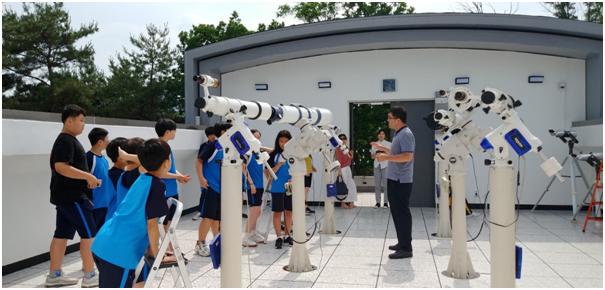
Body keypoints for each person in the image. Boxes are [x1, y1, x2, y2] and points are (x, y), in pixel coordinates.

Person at [91, 139, 175, 287]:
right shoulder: (156, 185)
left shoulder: (142, 177)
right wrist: (157, 256)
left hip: (105, 242)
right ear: (167, 162)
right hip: (118, 253)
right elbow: (152, 225)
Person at [46, 104, 99, 287]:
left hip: (65, 197)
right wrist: (88, 176)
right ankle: (90, 275)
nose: (84, 125)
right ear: (69, 121)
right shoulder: (66, 140)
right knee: (89, 234)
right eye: (81, 120)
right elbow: (60, 166)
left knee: (61, 235)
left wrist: (88, 179)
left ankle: (54, 275)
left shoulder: (66, 140)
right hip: (74, 198)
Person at [372, 106, 415, 259]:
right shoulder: (399, 134)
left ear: (397, 119)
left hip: (401, 181)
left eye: (389, 118)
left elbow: (407, 156)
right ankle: (402, 243)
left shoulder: (406, 134)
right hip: (395, 179)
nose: (387, 120)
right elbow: (398, 153)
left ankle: (406, 248)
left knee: (402, 213)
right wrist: (383, 148)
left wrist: (386, 158)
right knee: (396, 213)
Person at [195, 124, 229, 256]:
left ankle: (217, 241)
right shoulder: (213, 145)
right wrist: (201, 178)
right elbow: (199, 161)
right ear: (223, 131)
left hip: (222, 189)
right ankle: (200, 243)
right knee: (208, 218)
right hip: (211, 188)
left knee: (217, 219)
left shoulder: (228, 147)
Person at [242, 129, 268, 247]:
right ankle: (246, 237)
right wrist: (251, 184)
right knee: (253, 211)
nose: (257, 140)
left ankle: (253, 232)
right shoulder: (247, 153)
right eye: (254, 137)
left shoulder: (258, 152)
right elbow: (243, 168)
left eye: (258, 138)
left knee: (257, 212)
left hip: (260, 185)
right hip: (252, 186)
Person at [268, 130, 293, 249]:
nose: (283, 143)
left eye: (286, 141)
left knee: (289, 212)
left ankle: (288, 235)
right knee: (277, 212)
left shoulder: (293, 154)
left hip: (290, 187)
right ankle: (278, 236)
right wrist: (278, 165)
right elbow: (268, 173)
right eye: (281, 141)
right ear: (278, 142)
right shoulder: (273, 155)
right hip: (277, 188)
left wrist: (292, 180)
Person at [86, 127, 113, 229]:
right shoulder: (88, 158)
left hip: (105, 205)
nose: (109, 141)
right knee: (90, 237)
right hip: (94, 206)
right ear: (100, 142)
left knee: (100, 236)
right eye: (107, 138)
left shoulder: (104, 159)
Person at [193, 126, 217, 221]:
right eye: (211, 136)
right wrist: (201, 176)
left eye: (214, 135)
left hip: (214, 175)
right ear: (207, 136)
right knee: (204, 193)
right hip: (205, 174)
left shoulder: (218, 145)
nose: (213, 137)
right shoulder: (204, 146)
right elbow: (199, 160)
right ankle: (200, 212)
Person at [370, 128, 392, 208]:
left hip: (385, 165)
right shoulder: (374, 144)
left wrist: (382, 152)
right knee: (377, 185)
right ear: (378, 135)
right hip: (376, 165)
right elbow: (372, 156)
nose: (381, 135)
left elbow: (390, 154)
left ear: (385, 135)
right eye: (380, 134)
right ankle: (378, 202)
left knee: (386, 185)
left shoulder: (389, 144)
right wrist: (376, 154)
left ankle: (386, 203)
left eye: (383, 134)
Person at [335, 134, 357, 209]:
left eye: (344, 138)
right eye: (341, 139)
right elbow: (338, 161)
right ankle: (343, 203)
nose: (343, 140)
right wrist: (339, 170)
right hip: (342, 169)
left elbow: (349, 159)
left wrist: (351, 156)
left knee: (351, 185)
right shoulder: (338, 149)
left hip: (347, 168)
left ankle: (351, 202)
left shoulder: (345, 148)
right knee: (343, 186)